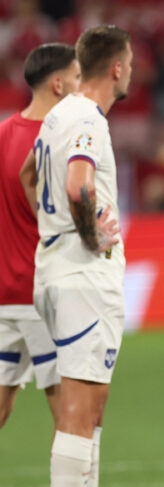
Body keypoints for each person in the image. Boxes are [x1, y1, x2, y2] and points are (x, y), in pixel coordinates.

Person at [21, 24, 134, 487]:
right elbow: (77, 185)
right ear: (116, 67)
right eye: (129, 63)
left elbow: (28, 176)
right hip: (82, 274)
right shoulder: (88, 117)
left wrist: (52, 230)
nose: (131, 71)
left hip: (54, 267)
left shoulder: (57, 115)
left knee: (91, 406)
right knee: (78, 408)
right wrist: (87, 235)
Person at [1, 44, 77, 431]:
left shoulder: (2, 134)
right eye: (77, 77)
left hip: (5, 296)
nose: (82, 87)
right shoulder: (59, 139)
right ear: (58, 84)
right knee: (71, 418)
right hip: (42, 294)